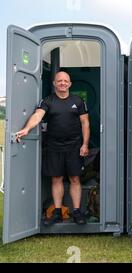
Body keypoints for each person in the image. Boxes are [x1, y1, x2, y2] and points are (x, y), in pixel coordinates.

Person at [15, 71, 90, 225]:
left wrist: (85, 144)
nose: (62, 83)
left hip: (74, 146)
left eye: (65, 81)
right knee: (56, 178)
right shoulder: (48, 101)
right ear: (55, 83)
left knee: (75, 178)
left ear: (70, 84)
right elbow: (37, 115)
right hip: (54, 146)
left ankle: (76, 212)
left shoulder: (78, 101)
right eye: (59, 81)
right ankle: (57, 212)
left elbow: (85, 123)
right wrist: (27, 129)